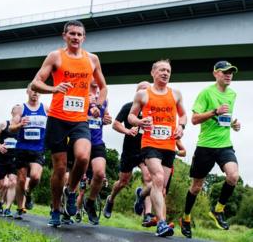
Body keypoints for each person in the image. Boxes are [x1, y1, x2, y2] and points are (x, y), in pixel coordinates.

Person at [30, 20, 107, 227]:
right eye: (71, 33)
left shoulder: (92, 59)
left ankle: (71, 192)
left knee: (83, 157)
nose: (75, 37)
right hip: (57, 118)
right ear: (64, 36)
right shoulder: (55, 56)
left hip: (79, 119)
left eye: (79, 34)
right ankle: (55, 209)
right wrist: (53, 89)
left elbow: (103, 87)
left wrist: (97, 107)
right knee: (60, 167)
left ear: (84, 37)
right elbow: (35, 83)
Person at [180, 60, 241, 238]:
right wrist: (214, 111)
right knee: (196, 187)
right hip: (205, 146)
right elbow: (194, 119)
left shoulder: (232, 94)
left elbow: (225, 118)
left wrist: (233, 124)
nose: (228, 74)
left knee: (233, 176)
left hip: (224, 144)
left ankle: (218, 210)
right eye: (224, 72)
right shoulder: (206, 93)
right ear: (215, 74)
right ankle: (186, 217)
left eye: (231, 72)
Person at [128, 59, 187, 237]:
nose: (165, 73)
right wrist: (139, 121)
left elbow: (183, 115)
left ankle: (141, 194)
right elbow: (131, 116)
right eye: (162, 70)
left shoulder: (175, 94)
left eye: (168, 71)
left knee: (159, 187)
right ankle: (161, 223)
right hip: (150, 144)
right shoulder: (143, 95)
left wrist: (181, 127)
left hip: (168, 145)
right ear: (153, 73)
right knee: (158, 178)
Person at [103, 81, 155, 227]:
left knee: (149, 178)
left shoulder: (153, 109)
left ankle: (147, 214)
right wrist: (127, 131)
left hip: (146, 150)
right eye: (142, 90)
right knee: (123, 181)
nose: (145, 93)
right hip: (130, 150)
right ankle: (111, 199)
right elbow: (115, 124)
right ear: (137, 93)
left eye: (148, 90)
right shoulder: (128, 107)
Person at [10, 85, 48, 220]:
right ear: (28, 92)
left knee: (36, 177)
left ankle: (29, 192)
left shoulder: (45, 108)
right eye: (33, 90)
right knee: (20, 180)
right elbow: (11, 128)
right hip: (22, 148)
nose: (35, 93)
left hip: (38, 149)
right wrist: (20, 125)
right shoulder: (21, 108)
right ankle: (20, 208)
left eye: (38, 91)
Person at [0, 105, 20, 217]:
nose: (18, 110)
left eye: (20, 109)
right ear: (12, 112)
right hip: (2, 157)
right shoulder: (4, 124)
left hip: (15, 158)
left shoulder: (22, 126)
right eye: (16, 109)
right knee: (1, 184)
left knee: (13, 181)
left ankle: (7, 208)